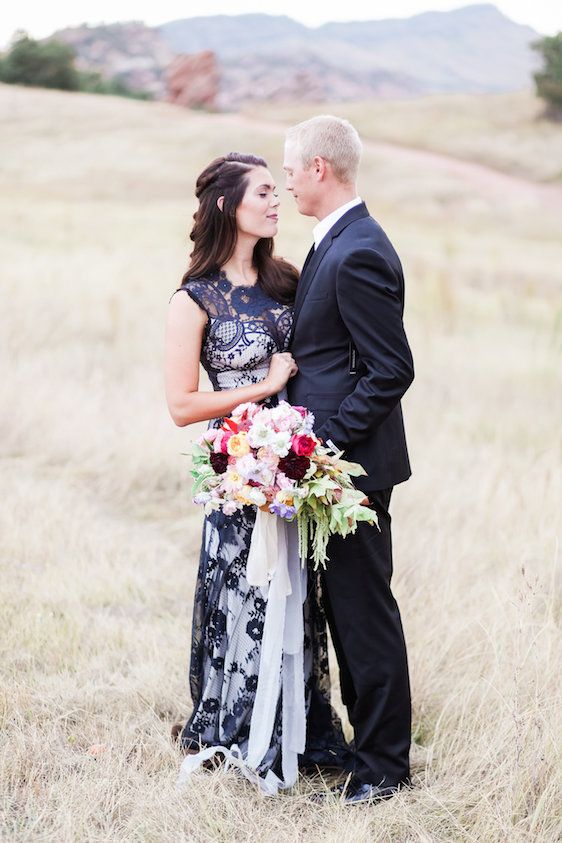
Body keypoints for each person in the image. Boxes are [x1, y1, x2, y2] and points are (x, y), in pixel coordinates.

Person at [165, 152, 349, 795]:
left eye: (278, 190)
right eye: (265, 192)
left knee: (297, 598)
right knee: (243, 596)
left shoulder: (288, 282)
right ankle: (239, 729)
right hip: (237, 472)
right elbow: (182, 405)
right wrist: (264, 388)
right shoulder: (194, 300)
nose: (278, 201)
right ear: (227, 206)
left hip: (297, 466)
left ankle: (298, 732)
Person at [284, 116, 415, 804]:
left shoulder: (358, 249)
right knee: (346, 612)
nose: (285, 182)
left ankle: (385, 769)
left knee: (365, 616)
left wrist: (324, 447)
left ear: (318, 169)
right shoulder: (337, 240)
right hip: (339, 469)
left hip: (351, 472)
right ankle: (367, 750)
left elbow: (391, 369)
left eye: (290, 169)